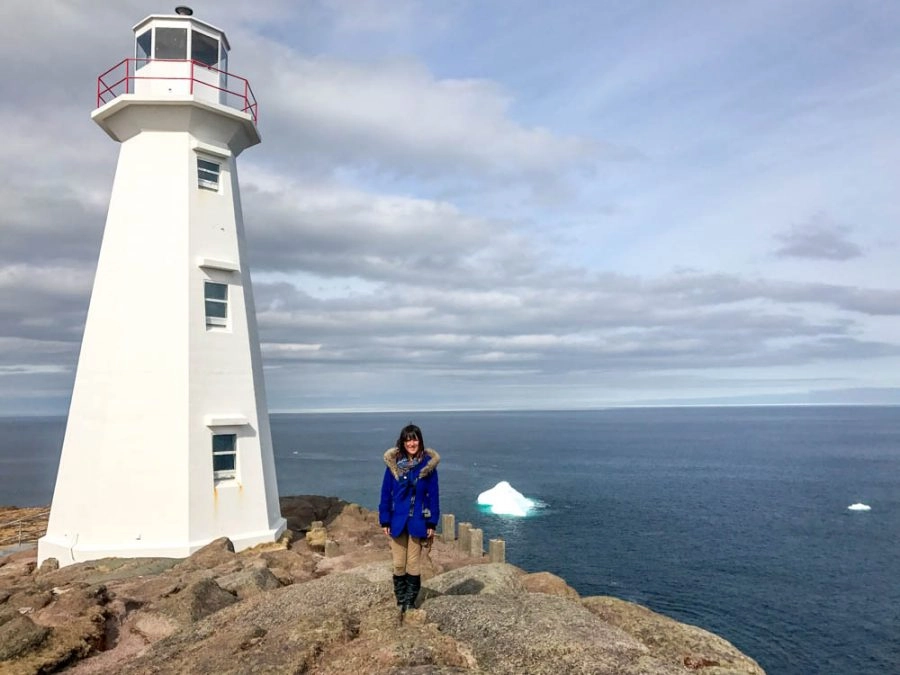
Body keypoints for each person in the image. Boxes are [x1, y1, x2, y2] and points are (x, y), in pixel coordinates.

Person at [379, 423, 440, 615]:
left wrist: (431, 523)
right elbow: (385, 495)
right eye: (408, 440)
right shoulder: (393, 466)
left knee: (413, 563)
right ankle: (401, 599)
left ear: (420, 441)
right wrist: (385, 520)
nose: (411, 443)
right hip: (397, 521)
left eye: (414, 439)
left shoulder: (428, 467)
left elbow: (433, 496)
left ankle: (409, 603)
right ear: (402, 443)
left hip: (418, 521)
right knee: (398, 563)